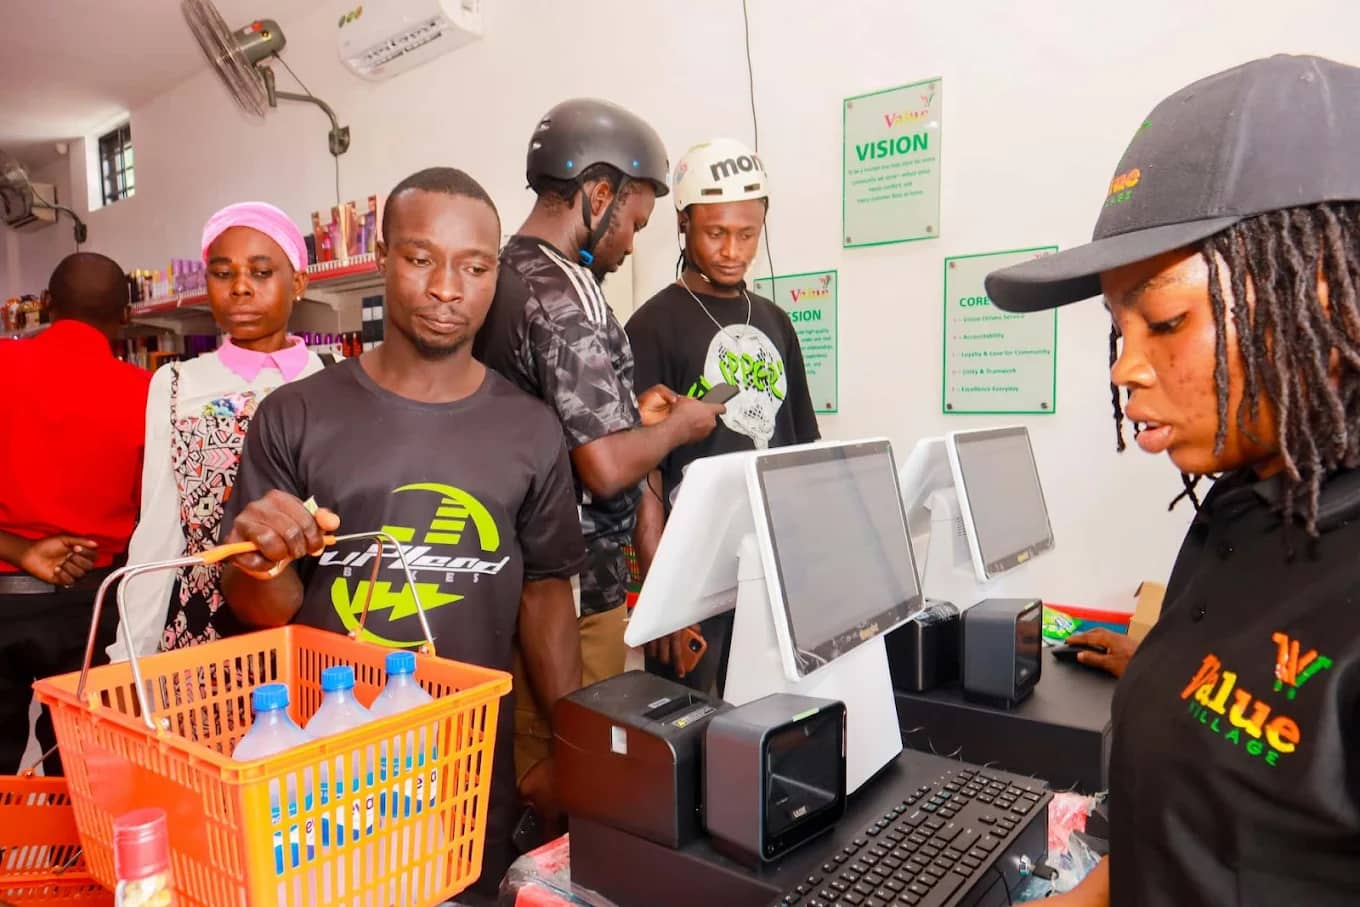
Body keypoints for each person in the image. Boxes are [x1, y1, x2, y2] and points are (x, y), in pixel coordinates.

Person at [984, 54, 1360, 906]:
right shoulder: (1241, 507)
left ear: (1326, 291)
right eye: (1117, 329)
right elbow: (1169, 854)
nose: (1124, 369)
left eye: (1164, 320)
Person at [218, 167, 586, 901]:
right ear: (383, 257)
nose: (448, 288)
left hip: (468, 769)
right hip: (328, 768)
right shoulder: (295, 415)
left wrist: (574, 748)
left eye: (474, 267)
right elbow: (259, 611)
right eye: (421, 259)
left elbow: (546, 589)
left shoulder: (531, 427)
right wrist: (260, 562)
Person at [474, 99, 724, 778]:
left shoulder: (504, 275)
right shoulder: (567, 292)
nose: (632, 242)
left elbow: (557, 428)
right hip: (573, 597)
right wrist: (681, 425)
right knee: (576, 779)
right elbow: (608, 465)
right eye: (634, 222)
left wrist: (634, 416)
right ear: (599, 193)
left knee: (536, 762)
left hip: (521, 588)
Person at [627, 138, 820, 685]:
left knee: (770, 718)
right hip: (694, 576)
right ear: (683, 224)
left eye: (747, 233)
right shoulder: (651, 326)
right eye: (715, 233)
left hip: (770, 567)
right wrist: (664, 599)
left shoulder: (778, 323)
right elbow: (643, 476)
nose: (732, 249)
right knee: (692, 733)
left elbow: (801, 447)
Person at [111, 202, 327, 661]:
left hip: (313, 620)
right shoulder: (176, 386)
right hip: (204, 625)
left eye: (262, 272)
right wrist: (130, 655)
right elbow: (158, 532)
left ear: (300, 283)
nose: (241, 288)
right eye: (223, 273)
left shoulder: (333, 378)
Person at [0, 252, 150, 773]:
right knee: (78, 766)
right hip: (93, 609)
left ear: (44, 304)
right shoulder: (146, 393)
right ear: (127, 318)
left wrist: (20, 548)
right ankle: (73, 853)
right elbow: (148, 515)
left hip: (4, 597)